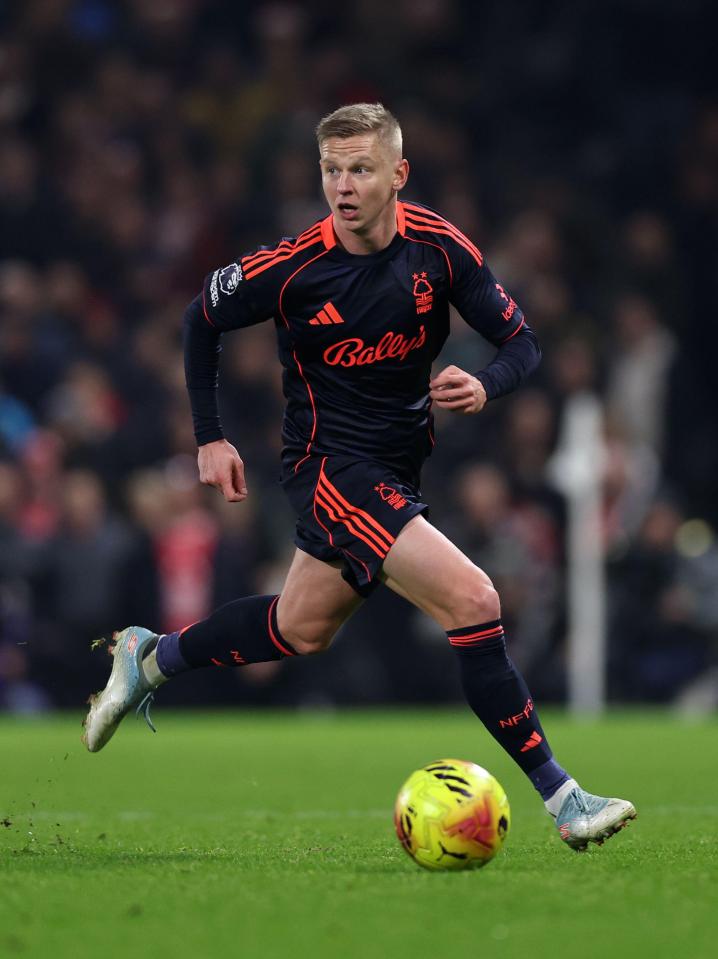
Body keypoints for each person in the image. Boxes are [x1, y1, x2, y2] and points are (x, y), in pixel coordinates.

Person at [83, 103, 635, 852]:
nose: (343, 186)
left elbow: (522, 341)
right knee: (474, 599)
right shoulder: (292, 267)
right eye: (331, 170)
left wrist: (486, 384)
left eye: (361, 170)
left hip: (396, 465)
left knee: (299, 628)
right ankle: (565, 798)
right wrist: (209, 437)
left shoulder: (439, 249)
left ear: (398, 174)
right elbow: (198, 320)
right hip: (328, 467)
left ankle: (150, 658)